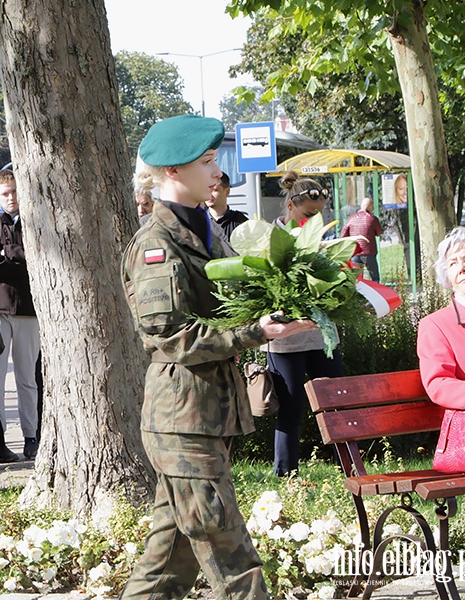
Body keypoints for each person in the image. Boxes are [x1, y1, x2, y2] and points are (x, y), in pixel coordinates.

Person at [120, 115, 315, 600]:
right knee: (228, 548)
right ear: (172, 171)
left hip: (206, 415)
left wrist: (286, 309)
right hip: (181, 420)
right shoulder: (156, 244)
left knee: (171, 557)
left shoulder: (207, 228)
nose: (215, 171)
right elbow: (167, 335)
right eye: (206, 162)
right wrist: (253, 333)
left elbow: (231, 302)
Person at [267, 171, 345, 477]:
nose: (313, 222)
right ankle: (285, 474)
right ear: (290, 205)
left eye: (318, 216)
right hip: (285, 339)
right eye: (307, 215)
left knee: (336, 403)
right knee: (291, 407)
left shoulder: (320, 240)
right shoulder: (270, 240)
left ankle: (349, 467)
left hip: (320, 335)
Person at [0, 169, 41, 460]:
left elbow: (37, 258)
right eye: (5, 193)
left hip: (28, 309)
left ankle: (31, 435)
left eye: (15, 191)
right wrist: (18, 255)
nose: (11, 198)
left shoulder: (33, 222)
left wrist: (8, 253)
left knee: (28, 378)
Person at [418, 228, 465, 410]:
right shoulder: (436, 325)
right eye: (452, 264)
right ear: (448, 280)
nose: (462, 268)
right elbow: (438, 384)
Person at [341, 197, 383, 282]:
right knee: (375, 277)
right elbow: (379, 233)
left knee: (357, 279)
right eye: (373, 206)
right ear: (370, 207)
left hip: (355, 253)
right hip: (369, 253)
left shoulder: (351, 219)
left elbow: (343, 235)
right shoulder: (372, 218)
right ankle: (374, 294)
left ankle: (359, 294)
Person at [207, 172, 248, 238]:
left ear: (227, 191)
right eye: (207, 190)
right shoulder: (199, 222)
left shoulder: (240, 222)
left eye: (215, 190)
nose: (210, 195)